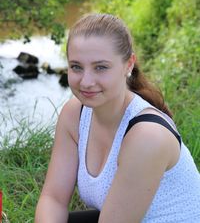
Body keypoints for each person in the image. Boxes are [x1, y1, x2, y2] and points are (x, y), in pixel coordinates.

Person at [35, 13, 200, 223]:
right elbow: (53, 199)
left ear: (128, 64)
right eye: (76, 66)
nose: (86, 82)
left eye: (101, 67)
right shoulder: (74, 115)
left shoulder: (147, 137)